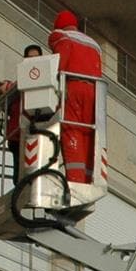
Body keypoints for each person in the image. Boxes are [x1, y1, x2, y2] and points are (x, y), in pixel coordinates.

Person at [47, 11, 104, 192]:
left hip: (73, 87)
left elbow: (57, 66)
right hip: (95, 92)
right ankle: (87, 180)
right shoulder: (94, 44)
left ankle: (75, 181)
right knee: (88, 134)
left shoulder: (61, 37)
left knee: (72, 131)